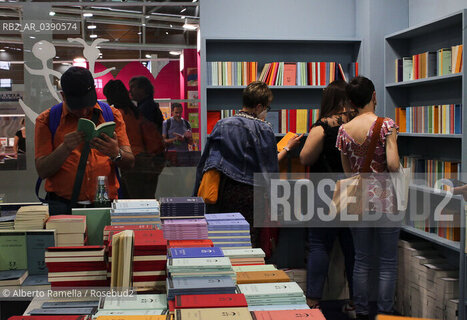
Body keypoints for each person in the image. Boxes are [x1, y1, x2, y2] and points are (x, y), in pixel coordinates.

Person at [336, 76, 400, 319]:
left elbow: (347, 171)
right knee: (387, 261)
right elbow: (393, 165)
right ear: (374, 96)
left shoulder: (344, 130)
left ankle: (361, 311)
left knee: (361, 260)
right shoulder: (386, 125)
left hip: (357, 200)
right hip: (385, 199)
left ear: (351, 102)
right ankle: (384, 312)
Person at [35, 67, 135, 215]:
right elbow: (42, 171)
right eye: (76, 106)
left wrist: (116, 153)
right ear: (63, 96)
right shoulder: (47, 120)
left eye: (87, 104)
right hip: (62, 206)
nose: (83, 112)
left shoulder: (112, 115)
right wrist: (65, 148)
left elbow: (130, 162)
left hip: (105, 203)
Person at [194, 81, 278, 247]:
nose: (266, 112)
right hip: (254, 192)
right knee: (250, 239)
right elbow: (269, 169)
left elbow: (207, 162)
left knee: (226, 236)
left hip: (226, 190)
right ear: (259, 106)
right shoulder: (264, 129)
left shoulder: (222, 124)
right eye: (267, 108)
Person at [299, 80, 356, 317]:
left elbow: (305, 158)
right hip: (352, 190)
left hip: (325, 192)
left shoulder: (322, 127)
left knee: (320, 245)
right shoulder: (355, 125)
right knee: (352, 248)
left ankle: (313, 300)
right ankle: (356, 299)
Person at [103, 79, 165, 199]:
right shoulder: (133, 111)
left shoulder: (119, 114)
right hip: (146, 158)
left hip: (133, 160)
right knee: (143, 198)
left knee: (138, 201)